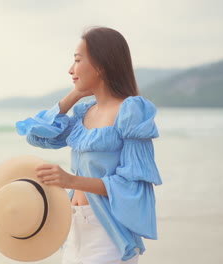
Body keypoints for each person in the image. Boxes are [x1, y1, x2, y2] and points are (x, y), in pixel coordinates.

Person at [15, 26, 162, 264]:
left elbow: (132, 186)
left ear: (102, 65)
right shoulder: (84, 112)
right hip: (73, 231)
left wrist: (70, 181)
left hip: (108, 235)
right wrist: (74, 95)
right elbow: (36, 136)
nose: (71, 69)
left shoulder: (131, 112)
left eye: (77, 60)